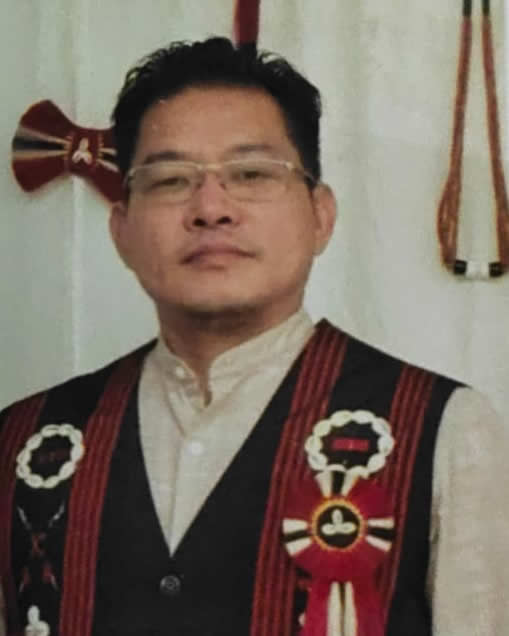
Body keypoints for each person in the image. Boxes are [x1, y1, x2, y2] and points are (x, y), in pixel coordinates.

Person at [0, 37, 507, 636]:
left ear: (320, 217)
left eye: (251, 174)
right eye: (170, 179)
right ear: (122, 232)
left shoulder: (446, 431)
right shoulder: (23, 442)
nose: (211, 208)